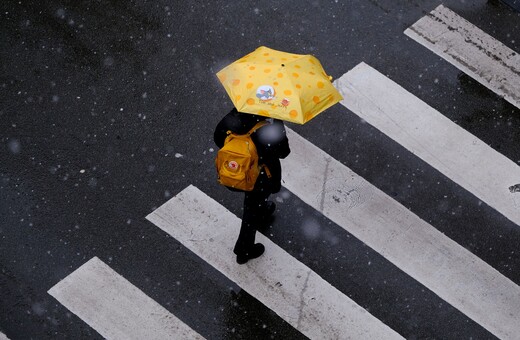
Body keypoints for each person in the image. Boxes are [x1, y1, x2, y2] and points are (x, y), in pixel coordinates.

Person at [214, 108, 291, 264]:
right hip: (258, 179)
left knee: (254, 203)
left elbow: (217, 137)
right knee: (252, 207)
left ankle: (262, 210)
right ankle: (244, 249)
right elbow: (283, 152)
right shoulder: (268, 129)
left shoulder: (234, 116)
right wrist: (278, 123)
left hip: (233, 173)